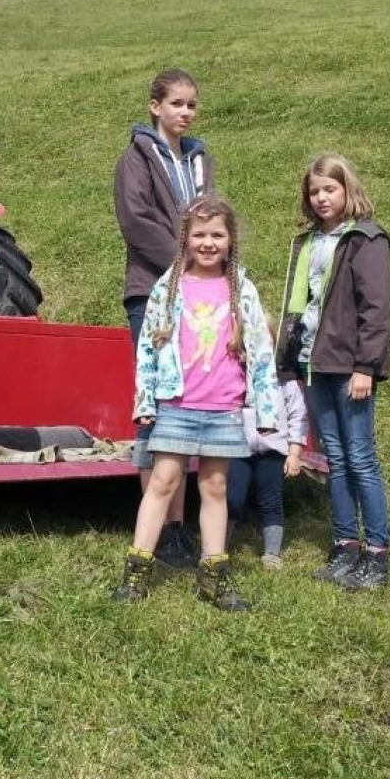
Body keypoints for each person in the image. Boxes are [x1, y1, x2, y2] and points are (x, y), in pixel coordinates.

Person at [110, 195, 280, 611]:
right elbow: (147, 350)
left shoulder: (241, 288)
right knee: (164, 481)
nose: (208, 243)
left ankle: (213, 574)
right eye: (200, 234)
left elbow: (259, 349)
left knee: (215, 486)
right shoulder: (168, 287)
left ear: (230, 239)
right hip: (176, 405)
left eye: (217, 235)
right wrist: (144, 400)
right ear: (185, 239)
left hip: (222, 407)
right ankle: (137, 570)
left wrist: (268, 411)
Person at [275, 154, 390, 590]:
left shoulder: (365, 239)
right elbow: (297, 304)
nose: (322, 197)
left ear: (347, 190)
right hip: (314, 362)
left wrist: (367, 366)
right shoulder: (307, 242)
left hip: (349, 365)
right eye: (314, 191)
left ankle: (376, 553)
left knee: (360, 458)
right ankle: (345, 545)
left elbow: (376, 309)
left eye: (330, 189)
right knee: (335, 459)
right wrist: (288, 359)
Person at [113, 69, 214, 569]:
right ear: (155, 106)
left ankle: (179, 525)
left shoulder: (198, 159)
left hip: (197, 297)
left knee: (185, 400)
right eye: (177, 103)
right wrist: (185, 263)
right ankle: (154, 531)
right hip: (151, 291)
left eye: (191, 104)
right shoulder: (135, 159)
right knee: (155, 404)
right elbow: (136, 221)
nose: (186, 112)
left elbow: (209, 218)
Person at [227, 356, 308, 571]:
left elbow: (298, 416)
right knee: (231, 498)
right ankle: (218, 549)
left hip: (273, 450)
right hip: (238, 447)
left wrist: (295, 452)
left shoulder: (286, 381)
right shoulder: (236, 374)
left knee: (270, 500)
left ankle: (271, 554)